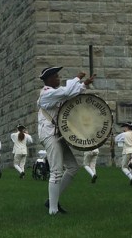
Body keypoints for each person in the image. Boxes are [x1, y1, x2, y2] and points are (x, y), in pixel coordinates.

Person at [37, 66, 95, 215]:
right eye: (56, 76)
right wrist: (77, 78)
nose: (59, 78)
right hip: (49, 134)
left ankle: (51, 201)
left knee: (73, 168)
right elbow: (67, 92)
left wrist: (84, 84)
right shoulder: (47, 93)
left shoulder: (54, 93)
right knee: (56, 172)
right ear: (49, 79)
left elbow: (70, 95)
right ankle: (53, 210)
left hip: (57, 134)